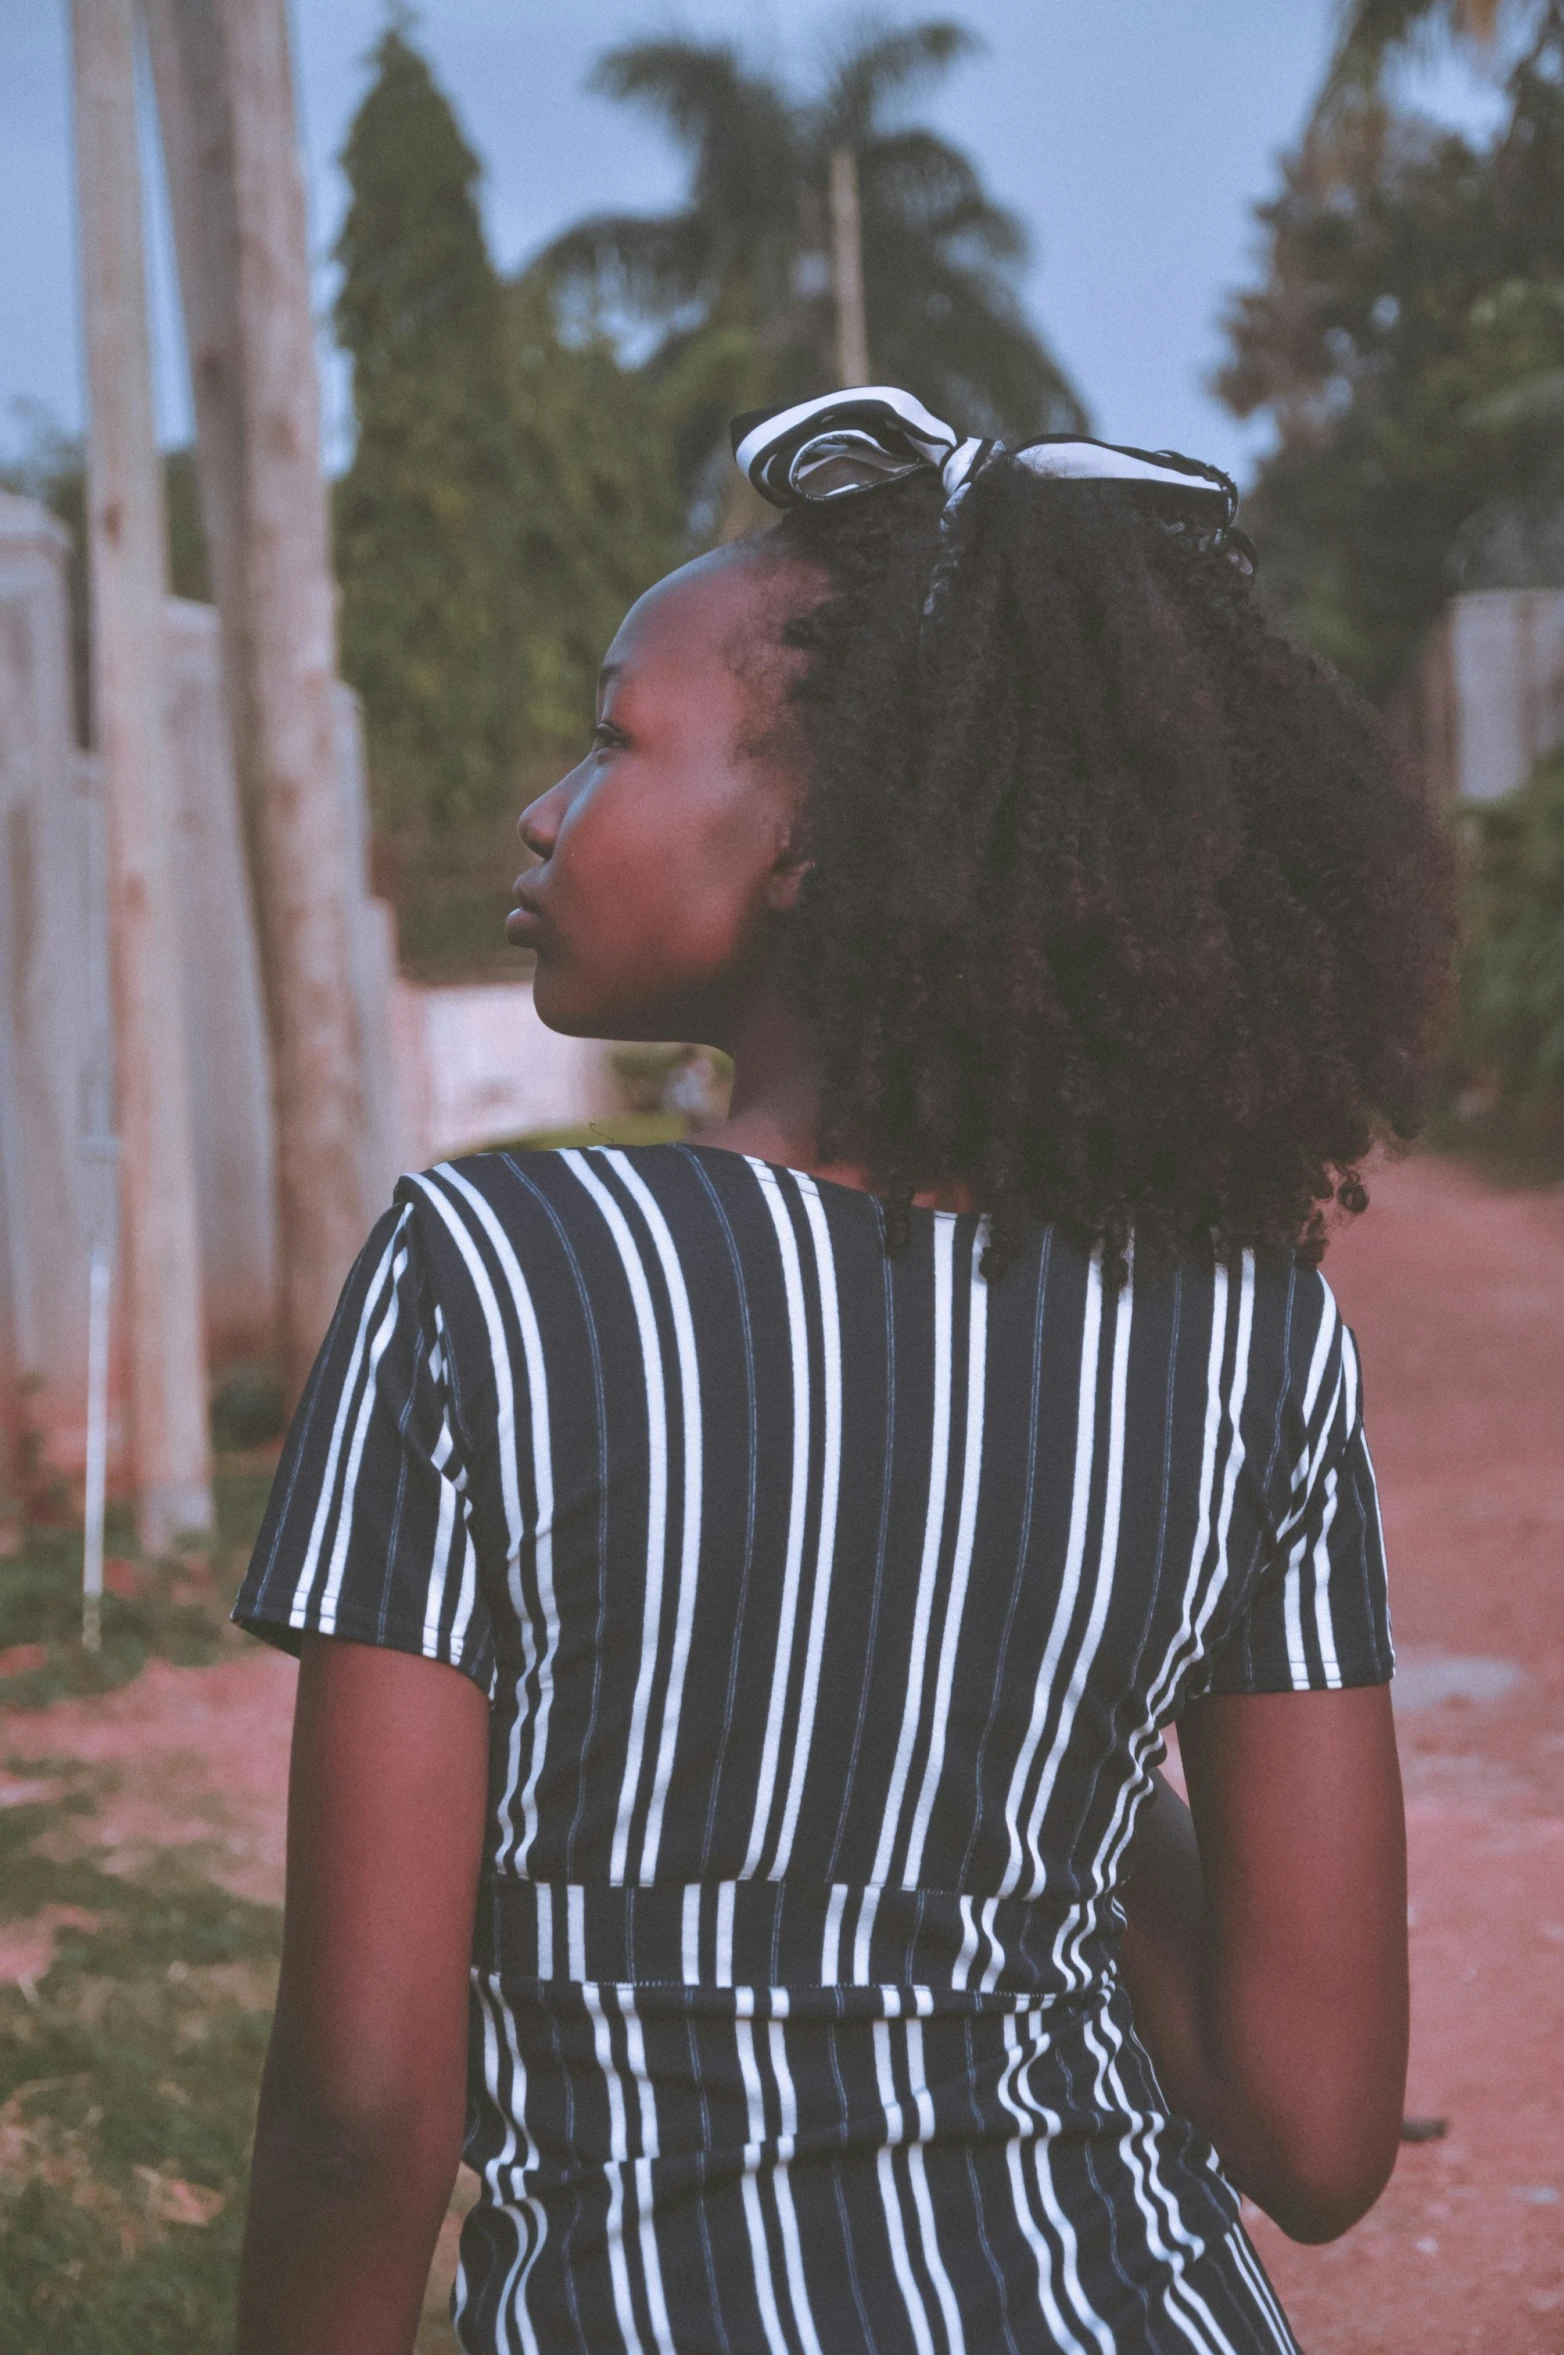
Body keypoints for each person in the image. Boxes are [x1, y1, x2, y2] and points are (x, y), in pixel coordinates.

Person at [232, 389, 1450, 2355]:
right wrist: (1032, 1751)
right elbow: (1311, 2134)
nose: (547, 807)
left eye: (614, 738)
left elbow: (365, 2120)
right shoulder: (1243, 1333)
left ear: (813, 835)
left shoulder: (493, 1277)